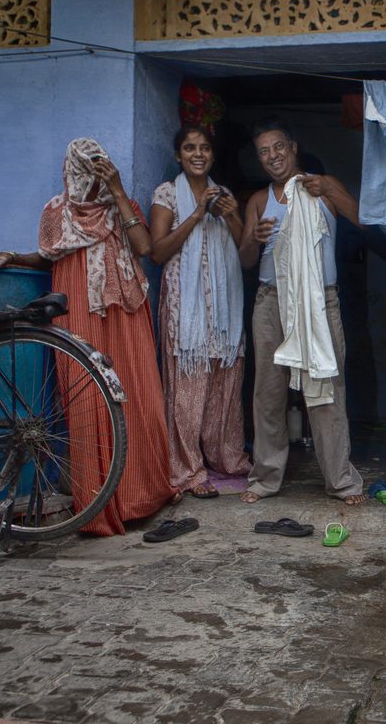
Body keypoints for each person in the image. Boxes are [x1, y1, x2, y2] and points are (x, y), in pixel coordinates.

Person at [0, 138, 179, 535]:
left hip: (125, 311)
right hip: (78, 307)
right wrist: (17, 258)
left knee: (139, 394)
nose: (97, 169)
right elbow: (51, 253)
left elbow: (144, 246)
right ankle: (101, 506)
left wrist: (117, 192)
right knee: (88, 402)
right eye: (90, 164)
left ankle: (146, 495)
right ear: (74, 169)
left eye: (103, 162)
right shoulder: (57, 211)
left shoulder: (121, 205)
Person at [237, 117, 366, 506]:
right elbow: (244, 261)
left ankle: (341, 481)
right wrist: (254, 238)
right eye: (264, 151)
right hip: (271, 301)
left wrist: (328, 188)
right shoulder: (260, 200)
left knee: (327, 387)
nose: (273, 156)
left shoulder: (323, 187)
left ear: (293, 147)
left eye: (278, 147)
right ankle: (264, 478)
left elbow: (362, 219)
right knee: (268, 392)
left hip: (318, 301)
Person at [148, 125, 249, 499]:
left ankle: (227, 459)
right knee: (187, 392)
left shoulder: (222, 194)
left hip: (222, 311)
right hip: (184, 310)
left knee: (224, 388)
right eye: (190, 148)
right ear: (178, 155)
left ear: (212, 155)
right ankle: (189, 470)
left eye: (205, 147)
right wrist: (195, 215)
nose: (198, 154)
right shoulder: (167, 194)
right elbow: (157, 252)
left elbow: (244, 250)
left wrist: (232, 213)